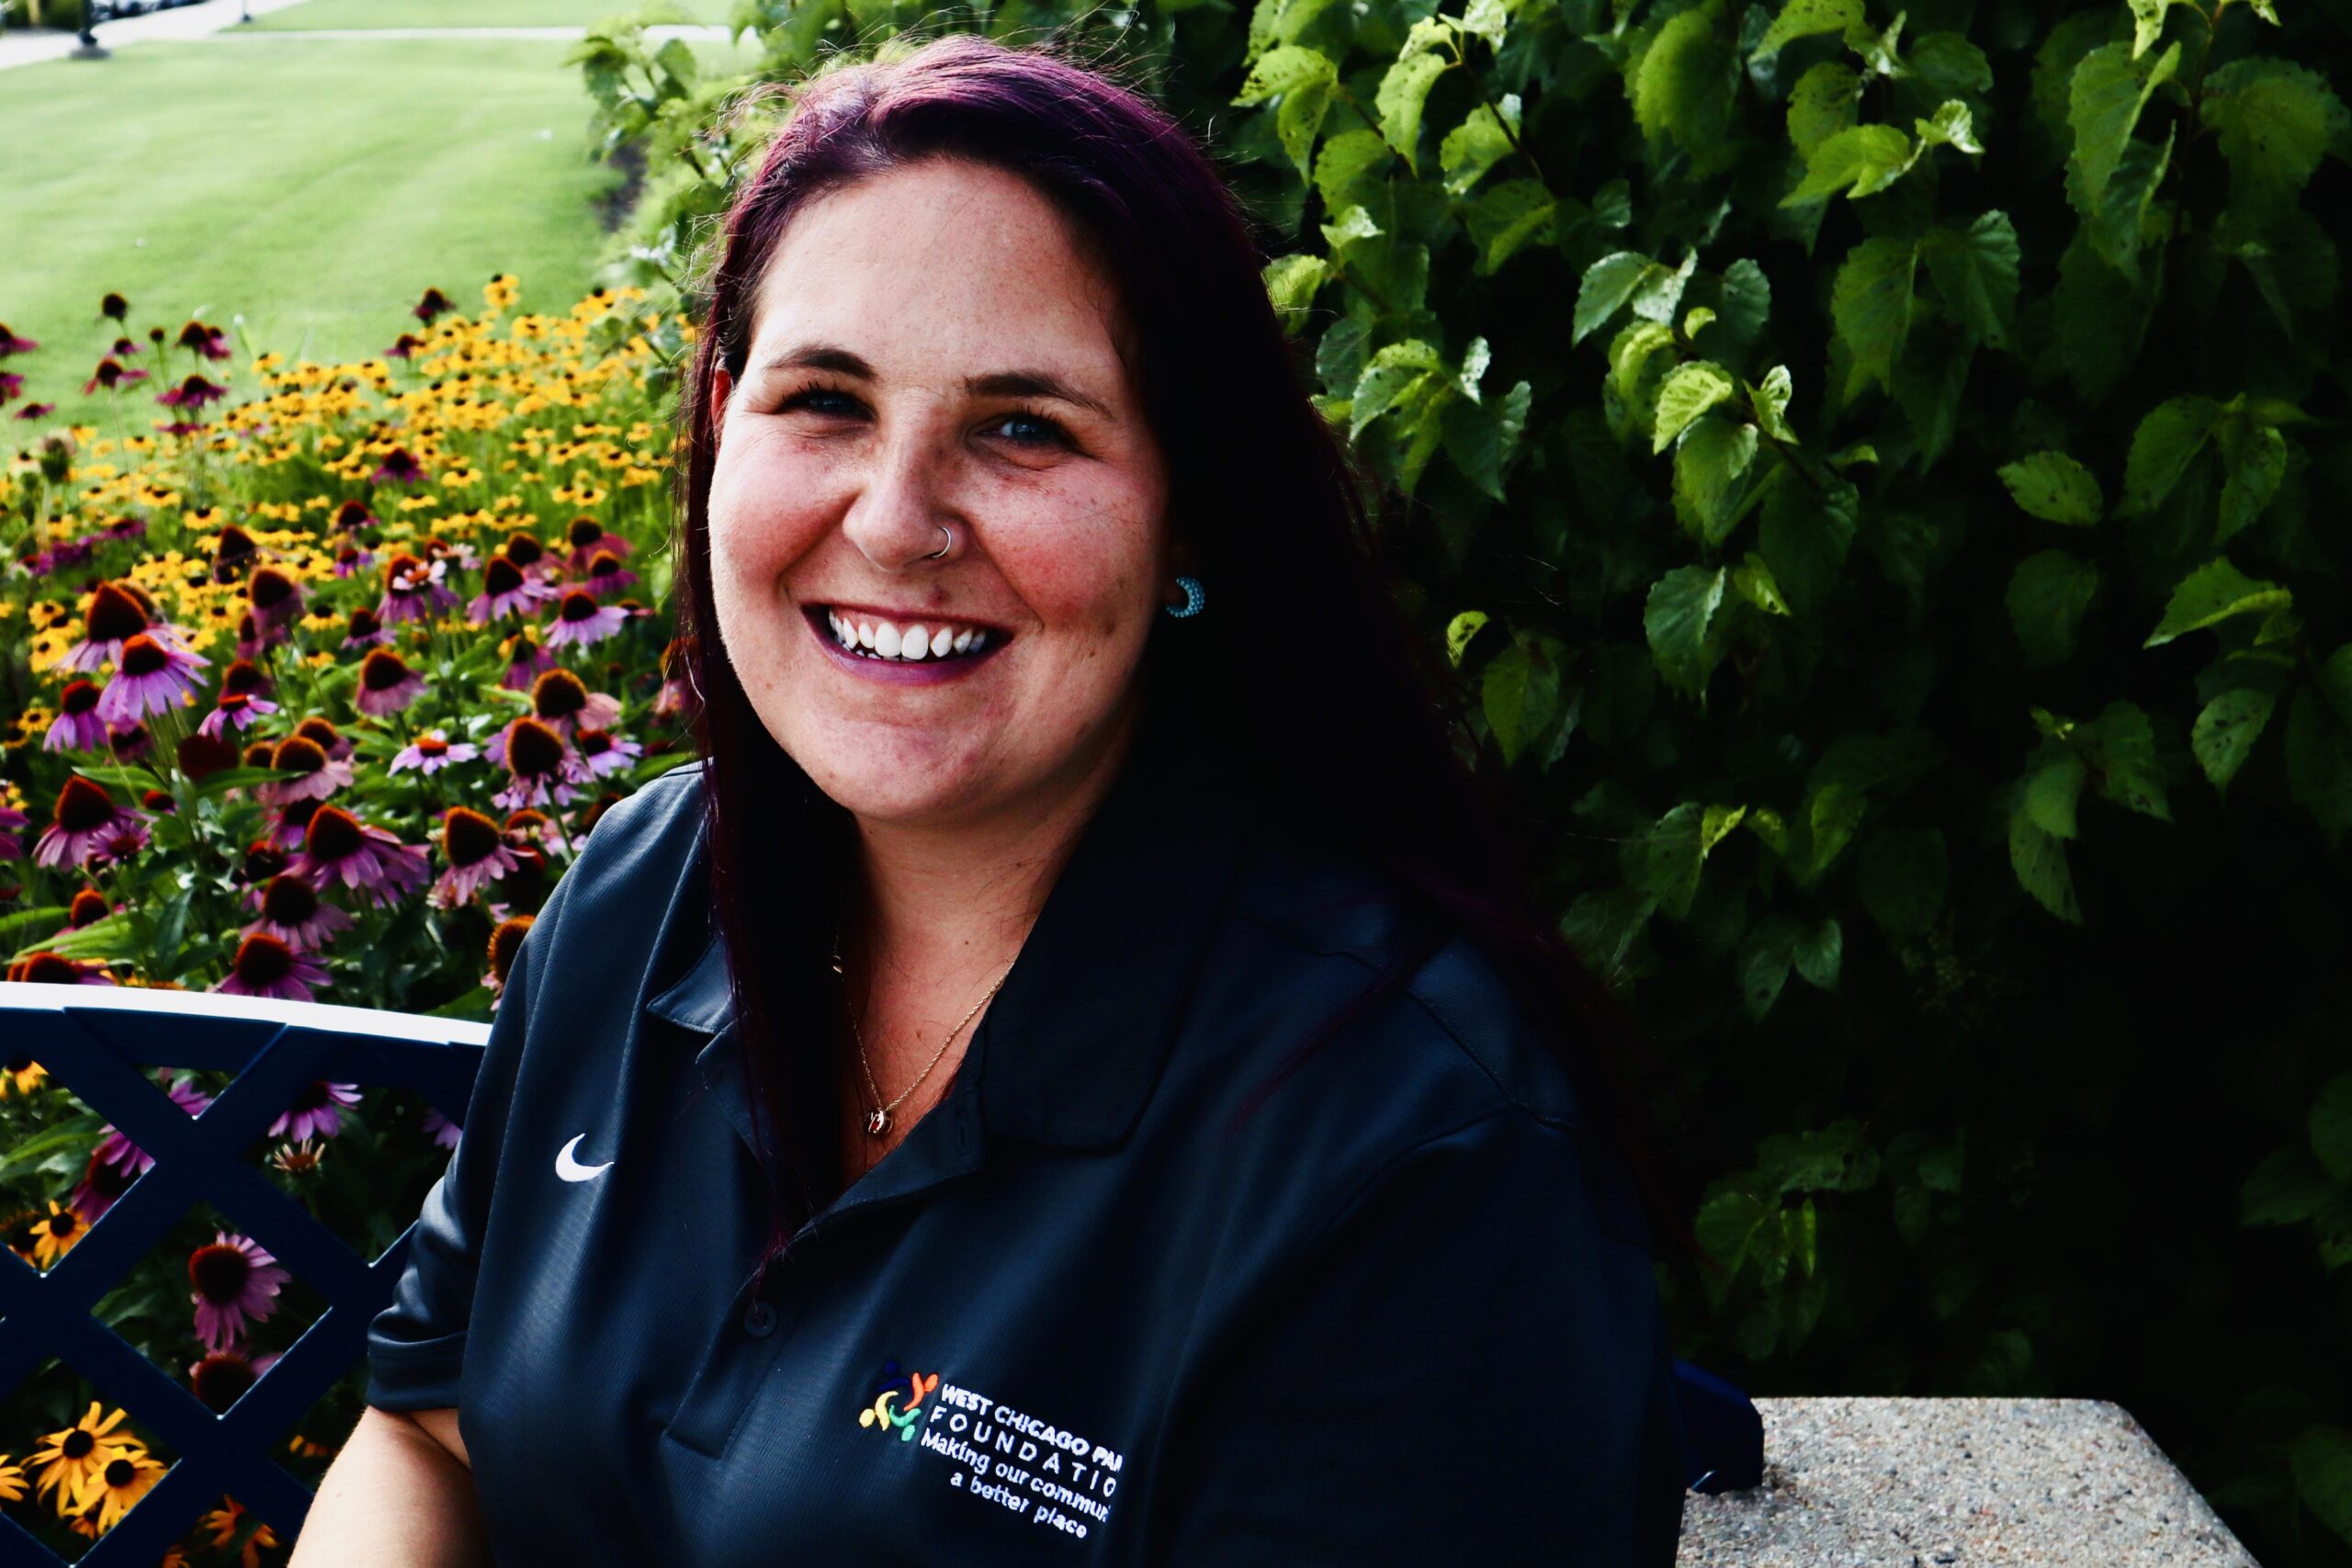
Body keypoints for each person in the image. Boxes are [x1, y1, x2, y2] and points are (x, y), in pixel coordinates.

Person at [293, 29, 1691, 1566]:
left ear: (1190, 513)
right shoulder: (643, 887)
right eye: (824, 399)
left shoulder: (1410, 1158)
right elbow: (425, 1436)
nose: (895, 526)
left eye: (1024, 427)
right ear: (718, 424)